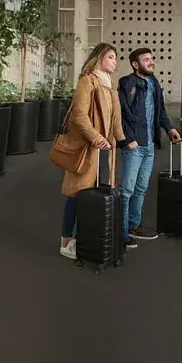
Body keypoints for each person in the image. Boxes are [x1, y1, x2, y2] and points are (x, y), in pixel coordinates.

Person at [58, 43, 126, 260]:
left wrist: (122, 141)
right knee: (77, 194)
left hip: (105, 151)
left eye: (115, 58)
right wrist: (96, 137)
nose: (115, 61)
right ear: (99, 59)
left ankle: (88, 238)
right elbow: (79, 115)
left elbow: (116, 120)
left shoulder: (110, 86)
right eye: (111, 57)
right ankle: (66, 242)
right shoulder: (87, 81)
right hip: (88, 148)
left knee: (96, 194)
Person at [118, 47, 182, 247]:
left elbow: (160, 111)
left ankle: (133, 225)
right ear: (135, 64)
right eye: (146, 60)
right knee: (126, 189)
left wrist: (169, 129)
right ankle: (121, 231)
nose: (151, 62)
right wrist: (127, 139)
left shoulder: (154, 83)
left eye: (151, 59)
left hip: (149, 146)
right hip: (133, 146)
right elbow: (121, 114)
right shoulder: (126, 83)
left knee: (141, 188)